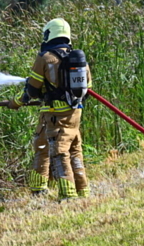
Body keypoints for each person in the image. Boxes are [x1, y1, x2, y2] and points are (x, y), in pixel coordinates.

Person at [8, 18, 90, 200]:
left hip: (54, 116)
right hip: (74, 113)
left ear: (49, 34)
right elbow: (88, 89)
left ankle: (68, 194)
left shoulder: (45, 58)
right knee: (65, 149)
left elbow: (32, 90)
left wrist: (15, 102)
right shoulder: (78, 58)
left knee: (60, 152)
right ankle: (73, 189)